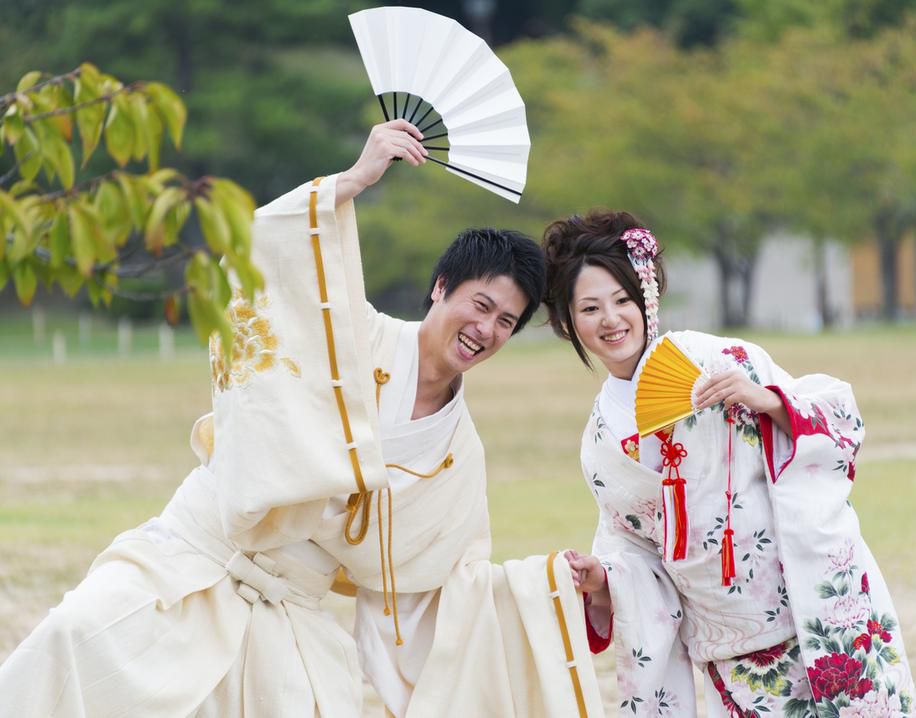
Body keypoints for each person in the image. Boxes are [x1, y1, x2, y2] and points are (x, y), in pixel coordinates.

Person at [0, 120, 602, 718]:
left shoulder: (457, 453)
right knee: (71, 644)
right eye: (481, 305)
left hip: (290, 615)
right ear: (441, 287)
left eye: (505, 322)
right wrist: (352, 181)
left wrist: (547, 583)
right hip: (192, 554)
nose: (485, 329)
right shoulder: (348, 335)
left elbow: (448, 589)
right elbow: (263, 254)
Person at [542, 210, 916, 717]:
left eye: (622, 300)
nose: (610, 320)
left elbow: (840, 420)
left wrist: (768, 401)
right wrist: (603, 578)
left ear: (647, 297)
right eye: (589, 308)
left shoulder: (719, 360)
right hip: (727, 647)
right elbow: (635, 551)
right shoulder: (600, 442)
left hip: (813, 608)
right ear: (567, 321)